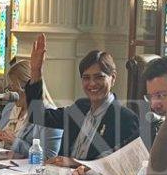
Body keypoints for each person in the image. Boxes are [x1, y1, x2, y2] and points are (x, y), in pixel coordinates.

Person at [23, 35, 140, 164]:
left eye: (99, 77)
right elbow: (38, 115)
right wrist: (36, 70)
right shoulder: (80, 107)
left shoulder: (125, 119)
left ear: (113, 78)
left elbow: (117, 165)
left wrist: (74, 163)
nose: (92, 84)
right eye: (86, 78)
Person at [0, 60, 62, 160]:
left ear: (27, 87)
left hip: (28, 169)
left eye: (12, 88)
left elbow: (49, 158)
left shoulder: (50, 115)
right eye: (9, 88)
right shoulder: (10, 108)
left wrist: (15, 142)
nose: (10, 93)